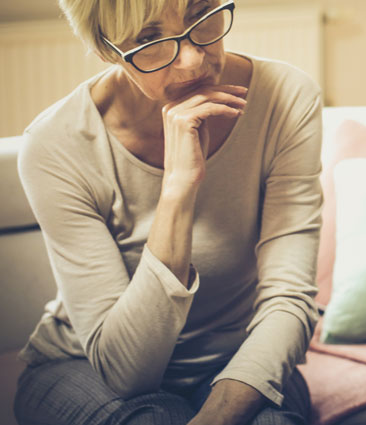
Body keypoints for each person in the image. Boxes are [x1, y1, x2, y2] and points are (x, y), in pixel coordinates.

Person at [13, 0, 323, 424]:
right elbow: (126, 371)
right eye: (149, 38)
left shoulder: (285, 96)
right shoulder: (55, 146)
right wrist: (177, 188)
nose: (193, 58)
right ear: (107, 49)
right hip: (85, 366)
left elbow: (288, 297)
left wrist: (217, 415)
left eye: (201, 15)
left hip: (241, 355)